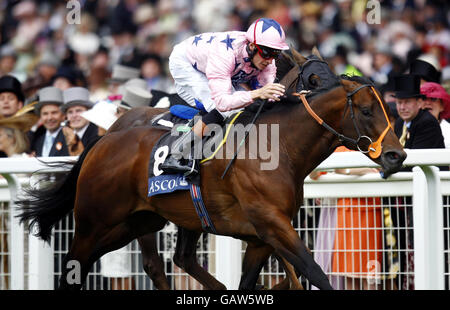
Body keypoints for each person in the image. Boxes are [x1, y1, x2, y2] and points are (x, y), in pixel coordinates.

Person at [161, 17, 289, 174]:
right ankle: (175, 154)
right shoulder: (224, 54)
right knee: (224, 109)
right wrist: (257, 93)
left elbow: (267, 97)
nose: (270, 61)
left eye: (276, 54)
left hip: (222, 69)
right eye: (268, 53)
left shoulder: (267, 61)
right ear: (251, 46)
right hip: (187, 64)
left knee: (246, 104)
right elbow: (222, 102)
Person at [28, 86, 68, 157]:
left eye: (54, 112)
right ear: (40, 117)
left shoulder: (70, 138)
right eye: (45, 114)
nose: (49, 118)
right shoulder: (38, 141)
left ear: (63, 115)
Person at [61, 87, 98, 156]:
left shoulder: (98, 135)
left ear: (89, 112)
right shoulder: (63, 135)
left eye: (78, 111)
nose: (74, 115)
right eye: (70, 112)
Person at [420, 82, 450, 148]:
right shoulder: (407, 128)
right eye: (424, 98)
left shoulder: (448, 131)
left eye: (433, 99)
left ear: (442, 106)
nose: (428, 102)